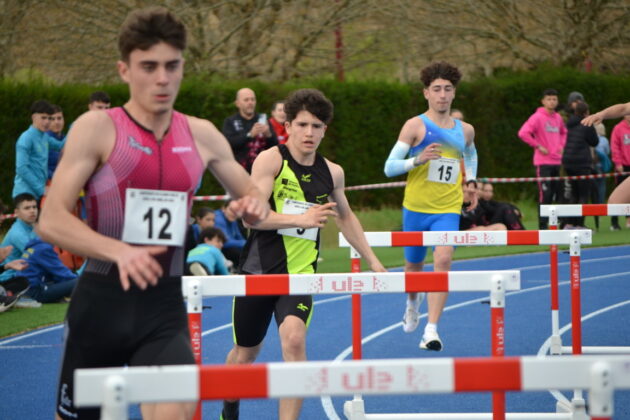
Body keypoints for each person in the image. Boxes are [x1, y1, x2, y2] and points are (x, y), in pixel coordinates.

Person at [36, 8, 269, 420]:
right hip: (101, 304)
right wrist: (120, 251)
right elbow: (51, 219)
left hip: (162, 308)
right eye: (148, 66)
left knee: (176, 411)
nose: (162, 78)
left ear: (182, 67)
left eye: (171, 66)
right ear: (124, 70)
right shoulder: (97, 127)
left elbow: (254, 197)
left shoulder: (201, 134)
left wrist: (250, 204)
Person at [221, 88, 386, 420]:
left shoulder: (333, 172)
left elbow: (346, 217)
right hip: (258, 273)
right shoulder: (270, 160)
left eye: (317, 126)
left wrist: (374, 261)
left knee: (294, 341)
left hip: (300, 275)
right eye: (303, 125)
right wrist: (302, 219)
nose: (309, 133)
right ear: (288, 126)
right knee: (244, 354)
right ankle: (229, 407)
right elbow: (253, 217)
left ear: (325, 129)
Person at [383, 61, 477, 352]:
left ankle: (431, 329)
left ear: (454, 93)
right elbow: (389, 167)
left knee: (444, 259)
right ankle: (412, 302)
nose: (442, 95)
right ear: (426, 93)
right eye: (436, 89)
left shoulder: (466, 130)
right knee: (413, 265)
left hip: (447, 209)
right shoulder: (415, 126)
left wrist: (471, 180)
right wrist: (417, 160)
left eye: (447, 89)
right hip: (415, 208)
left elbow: (471, 155)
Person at [518, 88, 567, 229]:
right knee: (545, 194)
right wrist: (538, 146)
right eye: (549, 99)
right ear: (543, 101)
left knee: (560, 194)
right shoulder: (537, 117)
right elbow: (523, 133)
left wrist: (561, 145)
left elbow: (564, 132)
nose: (552, 102)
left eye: (554, 99)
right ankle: (543, 225)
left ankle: (562, 223)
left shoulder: (558, 118)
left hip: (557, 161)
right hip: (543, 163)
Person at [12, 100, 67, 200]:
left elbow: (61, 146)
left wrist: (76, 128)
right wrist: (41, 189)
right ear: (33, 117)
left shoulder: (44, 136)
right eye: (43, 117)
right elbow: (21, 168)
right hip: (25, 193)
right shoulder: (26, 138)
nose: (47, 122)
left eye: (49, 118)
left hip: (38, 194)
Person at [561, 102, 599, 228]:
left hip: (568, 161)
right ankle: (579, 224)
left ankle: (569, 223)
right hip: (581, 162)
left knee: (574, 193)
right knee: (583, 194)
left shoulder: (568, 123)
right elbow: (594, 142)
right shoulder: (586, 123)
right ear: (586, 112)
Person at [222, 87, 278, 172]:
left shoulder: (263, 119)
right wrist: (249, 135)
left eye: (253, 99)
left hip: (262, 171)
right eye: (246, 100)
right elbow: (228, 144)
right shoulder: (230, 121)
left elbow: (275, 146)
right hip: (239, 172)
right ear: (237, 103)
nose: (250, 102)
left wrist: (268, 134)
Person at [609, 115, 630, 229]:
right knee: (618, 194)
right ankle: (614, 221)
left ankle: (629, 220)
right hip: (623, 165)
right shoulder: (618, 128)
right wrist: (618, 163)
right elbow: (614, 146)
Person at [591, 123, 612, 230]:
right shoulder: (604, 140)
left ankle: (595, 212)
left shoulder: (591, 139)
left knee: (593, 192)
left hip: (592, 168)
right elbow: (608, 152)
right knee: (601, 190)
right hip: (601, 168)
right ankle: (600, 210)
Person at [214, 201, 247, 268]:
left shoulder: (231, 218)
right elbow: (225, 242)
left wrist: (248, 245)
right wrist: (246, 243)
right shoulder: (218, 219)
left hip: (226, 246)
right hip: (218, 247)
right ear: (223, 208)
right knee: (237, 252)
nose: (234, 213)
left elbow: (239, 236)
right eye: (232, 210)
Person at [47, 104, 66, 180]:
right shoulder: (42, 140)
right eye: (52, 119)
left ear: (63, 120)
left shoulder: (69, 139)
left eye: (59, 118)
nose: (56, 122)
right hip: (46, 185)